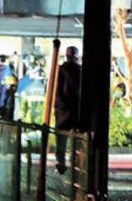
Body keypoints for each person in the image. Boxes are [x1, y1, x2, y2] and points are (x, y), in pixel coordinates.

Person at [54, 46, 82, 174]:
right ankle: (76, 166)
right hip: (76, 111)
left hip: (62, 111)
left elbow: (56, 91)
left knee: (61, 141)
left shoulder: (60, 70)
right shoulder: (80, 71)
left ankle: (61, 164)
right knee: (77, 141)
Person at [0, 55, 18, 120]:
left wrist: (0, 105)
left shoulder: (2, 73)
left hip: (1, 104)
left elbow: (2, 92)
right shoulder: (10, 72)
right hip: (7, 103)